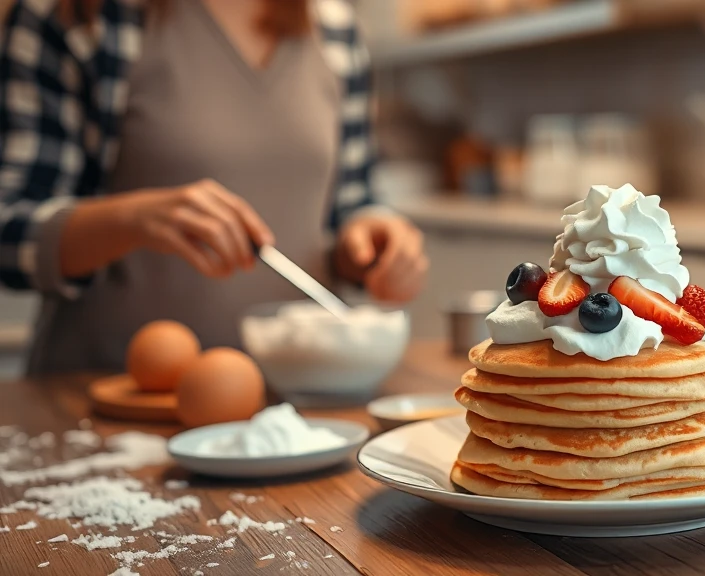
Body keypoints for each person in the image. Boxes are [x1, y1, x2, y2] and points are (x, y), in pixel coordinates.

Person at [0, 0, 428, 374]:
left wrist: (372, 244)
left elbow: (350, 205)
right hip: (103, 396)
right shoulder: (82, 16)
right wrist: (131, 218)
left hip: (298, 398)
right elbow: (10, 231)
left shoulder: (335, 26)